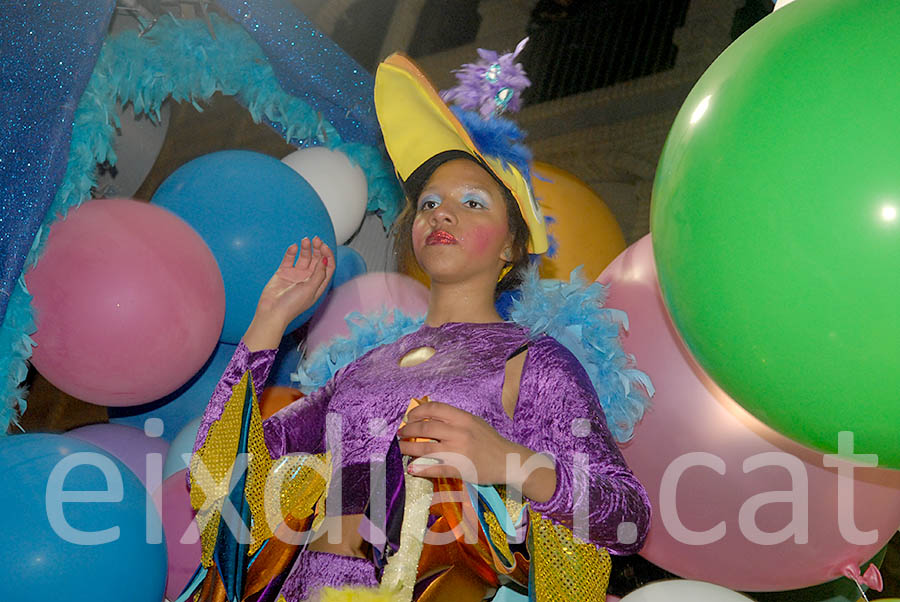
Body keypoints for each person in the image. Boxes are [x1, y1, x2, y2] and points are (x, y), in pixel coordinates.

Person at [187, 46, 650, 602]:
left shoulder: (532, 361)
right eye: (429, 203)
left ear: (510, 244)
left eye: (473, 202)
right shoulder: (362, 371)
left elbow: (627, 517)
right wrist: (268, 324)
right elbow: (222, 479)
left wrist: (510, 461)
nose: (441, 213)